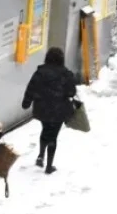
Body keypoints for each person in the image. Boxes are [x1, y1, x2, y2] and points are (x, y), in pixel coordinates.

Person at [22, 47, 77, 175]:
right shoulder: (66, 74)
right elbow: (71, 92)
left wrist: (26, 102)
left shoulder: (40, 72)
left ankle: (41, 155)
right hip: (59, 110)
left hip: (42, 109)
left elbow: (31, 87)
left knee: (45, 129)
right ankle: (49, 165)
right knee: (53, 136)